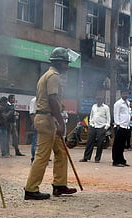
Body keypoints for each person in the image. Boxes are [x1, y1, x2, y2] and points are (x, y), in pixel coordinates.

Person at [24, 47, 77, 200]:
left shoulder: (46, 75)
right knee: (42, 156)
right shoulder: (53, 76)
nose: (67, 66)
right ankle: (31, 189)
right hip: (48, 119)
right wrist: (61, 122)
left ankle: (59, 185)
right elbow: (53, 99)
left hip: (48, 118)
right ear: (59, 62)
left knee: (61, 151)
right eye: (66, 63)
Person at [79, 95, 110, 163]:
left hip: (101, 127)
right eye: (97, 99)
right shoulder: (94, 106)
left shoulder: (106, 107)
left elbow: (108, 119)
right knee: (89, 142)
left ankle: (97, 158)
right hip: (93, 126)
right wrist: (90, 124)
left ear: (102, 100)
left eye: (100, 99)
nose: (99, 100)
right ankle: (86, 157)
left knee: (100, 143)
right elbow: (91, 116)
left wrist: (105, 128)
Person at [112, 90, 131, 167]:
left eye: (126, 93)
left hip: (126, 126)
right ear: (121, 94)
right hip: (120, 126)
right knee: (117, 144)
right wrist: (117, 125)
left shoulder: (128, 103)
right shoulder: (118, 103)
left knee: (123, 145)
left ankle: (122, 160)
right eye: (124, 93)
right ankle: (116, 161)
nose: (125, 95)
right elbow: (116, 114)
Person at [29, 96, 37, 163]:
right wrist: (35, 123)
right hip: (37, 123)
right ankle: (34, 158)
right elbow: (32, 113)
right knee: (35, 142)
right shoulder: (34, 100)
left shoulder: (43, 100)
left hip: (43, 125)